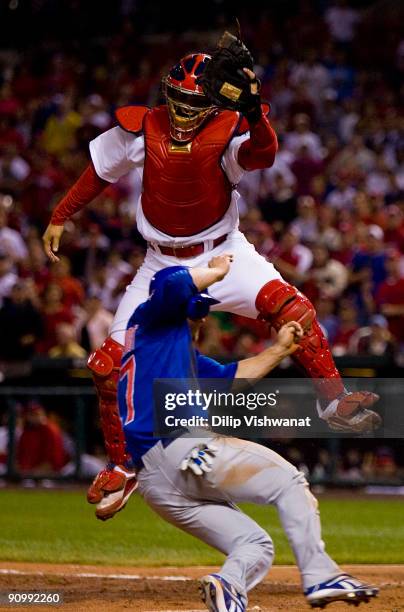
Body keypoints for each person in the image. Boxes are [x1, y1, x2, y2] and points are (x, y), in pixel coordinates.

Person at [42, 43, 380, 508]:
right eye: (176, 100)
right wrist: (62, 214)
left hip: (224, 253)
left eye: (194, 104)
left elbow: (263, 155)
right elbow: (99, 172)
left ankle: (334, 401)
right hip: (160, 262)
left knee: (295, 310)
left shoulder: (227, 129)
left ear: (215, 104)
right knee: (106, 365)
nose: (182, 112)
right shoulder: (142, 125)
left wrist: (256, 116)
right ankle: (123, 465)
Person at [103, 255, 378, 611]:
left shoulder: (171, 353)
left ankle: (228, 587)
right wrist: (216, 271)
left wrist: (279, 350)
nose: (200, 319)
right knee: (289, 482)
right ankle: (321, 576)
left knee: (256, 545)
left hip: (159, 485)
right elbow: (171, 284)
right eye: (195, 310)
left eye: (200, 312)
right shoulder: (151, 323)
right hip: (181, 447)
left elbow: (230, 378)